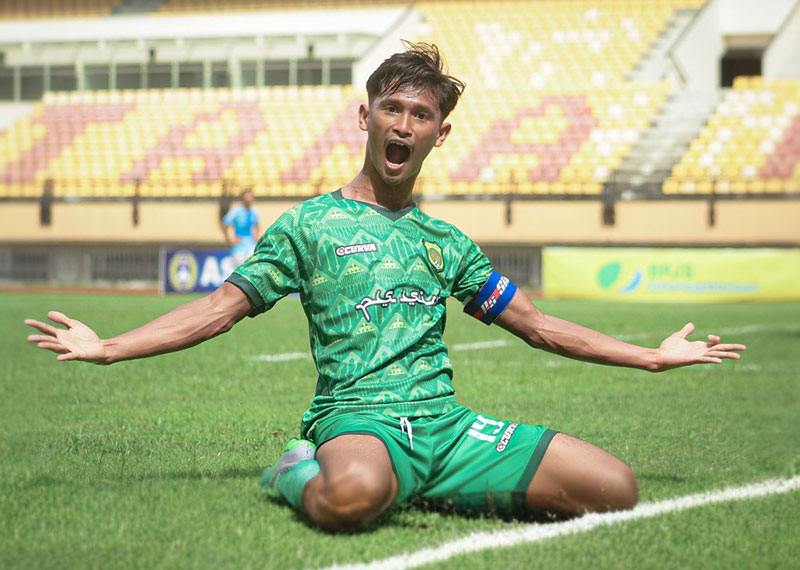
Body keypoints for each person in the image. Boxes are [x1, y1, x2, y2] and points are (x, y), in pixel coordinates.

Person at [24, 42, 746, 533]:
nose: (405, 125)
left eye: (421, 115)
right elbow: (220, 310)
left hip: (447, 426)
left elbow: (540, 325)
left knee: (616, 490)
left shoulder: (447, 244)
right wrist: (109, 348)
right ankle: (292, 470)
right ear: (365, 117)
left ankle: (430, 478)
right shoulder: (309, 226)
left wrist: (650, 357)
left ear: (442, 133)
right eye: (393, 109)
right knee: (352, 496)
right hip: (357, 423)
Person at [221, 188, 260, 265]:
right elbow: (224, 224)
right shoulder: (236, 211)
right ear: (242, 199)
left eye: (250, 197)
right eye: (246, 197)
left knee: (252, 268)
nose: (248, 199)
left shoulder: (254, 211)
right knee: (240, 270)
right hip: (239, 247)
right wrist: (229, 239)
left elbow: (257, 225)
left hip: (251, 245)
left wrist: (256, 236)